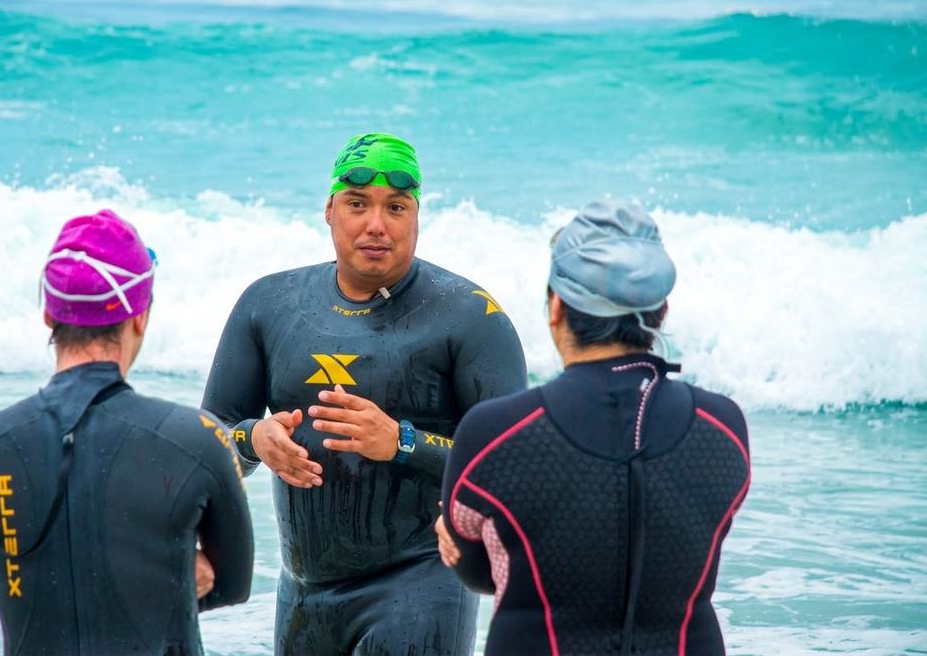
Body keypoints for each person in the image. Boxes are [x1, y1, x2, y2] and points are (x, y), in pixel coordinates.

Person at [202, 133, 528, 655]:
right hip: (303, 595)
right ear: (330, 210)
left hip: (421, 584)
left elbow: (513, 468)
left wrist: (401, 441)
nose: (376, 224)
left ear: (416, 216)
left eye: (396, 207)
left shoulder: (470, 316)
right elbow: (208, 443)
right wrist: (251, 440)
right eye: (358, 204)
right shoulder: (268, 304)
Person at [438, 200, 751, 656]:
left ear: (557, 307)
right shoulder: (723, 429)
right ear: (660, 312)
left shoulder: (496, 434)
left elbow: (473, 566)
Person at [0, 209, 253, 656]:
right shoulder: (196, 437)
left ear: (49, 317)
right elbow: (231, 585)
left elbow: (15, 574)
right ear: (139, 318)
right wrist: (162, 575)